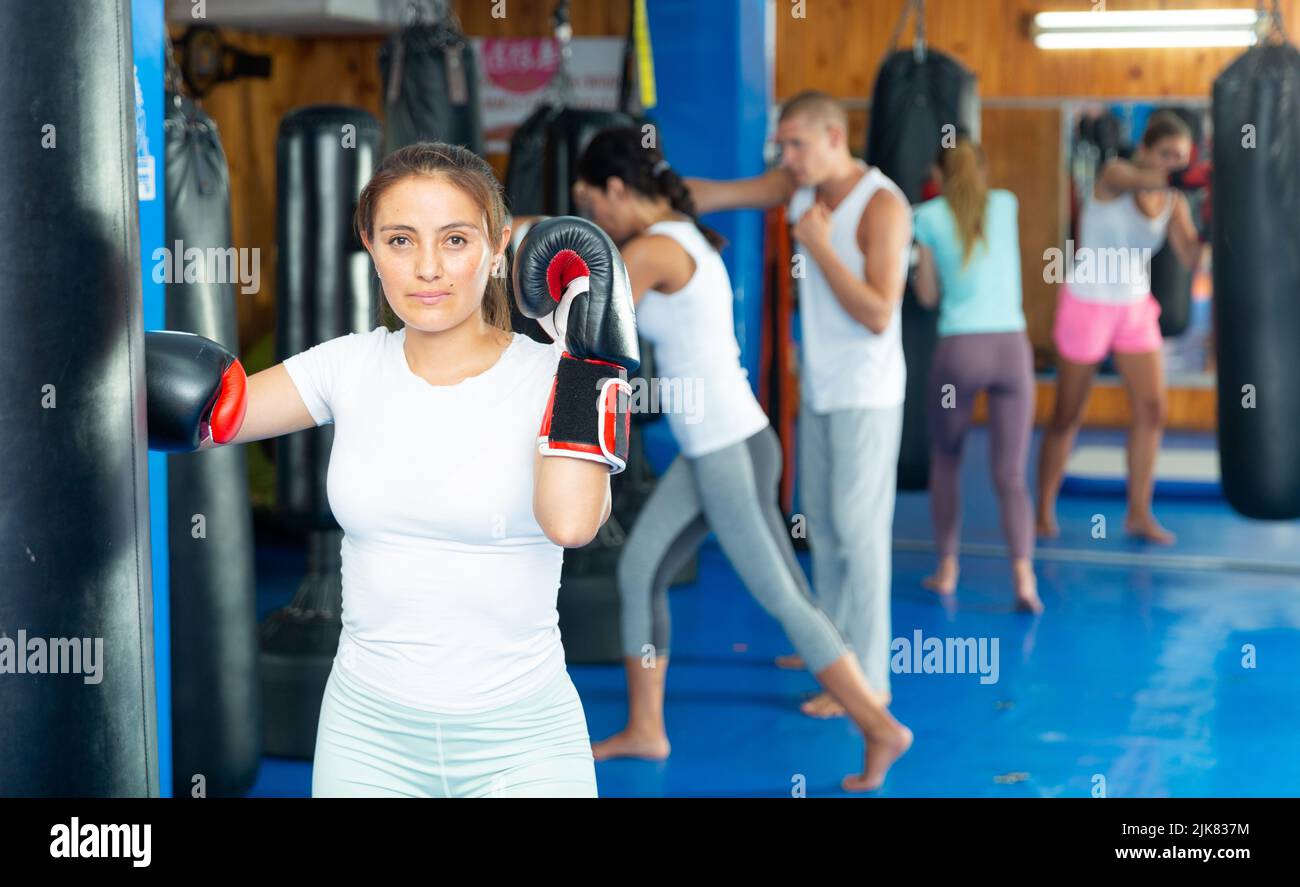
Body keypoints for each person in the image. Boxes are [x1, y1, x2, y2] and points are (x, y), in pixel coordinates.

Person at [146, 141, 639, 798]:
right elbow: (211, 415)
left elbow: (572, 521)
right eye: (400, 239)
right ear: (370, 245)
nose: (427, 267)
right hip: (367, 735)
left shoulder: (555, 375)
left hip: (522, 741)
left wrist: (586, 362)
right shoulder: (346, 366)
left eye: (455, 239)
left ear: (498, 248)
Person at [572, 127, 912, 792]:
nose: (592, 219)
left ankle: (876, 723)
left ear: (616, 190)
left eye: (591, 203)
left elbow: (594, 327)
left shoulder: (655, 249)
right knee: (640, 568)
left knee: (782, 595)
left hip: (727, 446)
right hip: (717, 447)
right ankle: (646, 728)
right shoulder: (682, 229)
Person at [686, 90, 913, 718]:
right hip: (821, 386)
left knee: (860, 532)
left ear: (834, 138)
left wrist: (817, 246)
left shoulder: (882, 204)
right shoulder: (802, 188)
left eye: (797, 144)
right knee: (826, 522)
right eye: (782, 146)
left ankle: (869, 680)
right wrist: (650, 191)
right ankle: (833, 648)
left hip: (867, 393)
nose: (786, 157)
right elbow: (721, 194)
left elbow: (876, 312)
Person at [1036, 111, 1206, 545]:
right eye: (1166, 153)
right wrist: (1176, 180)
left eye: (1181, 157)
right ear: (1146, 149)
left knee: (1153, 410)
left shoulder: (1173, 201)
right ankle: (1042, 510)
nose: (1173, 163)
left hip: (1133, 306)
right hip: (1088, 303)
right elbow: (1136, 179)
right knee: (1067, 414)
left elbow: (1192, 259)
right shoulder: (1114, 175)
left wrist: (1223, 226)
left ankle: (1137, 513)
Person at [911, 137, 1041, 613]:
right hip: (1011, 349)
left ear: (938, 175)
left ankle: (947, 569)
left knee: (947, 461)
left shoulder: (925, 216)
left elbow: (926, 296)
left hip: (959, 353)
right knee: (1010, 475)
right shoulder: (1006, 204)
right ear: (983, 170)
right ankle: (1024, 578)